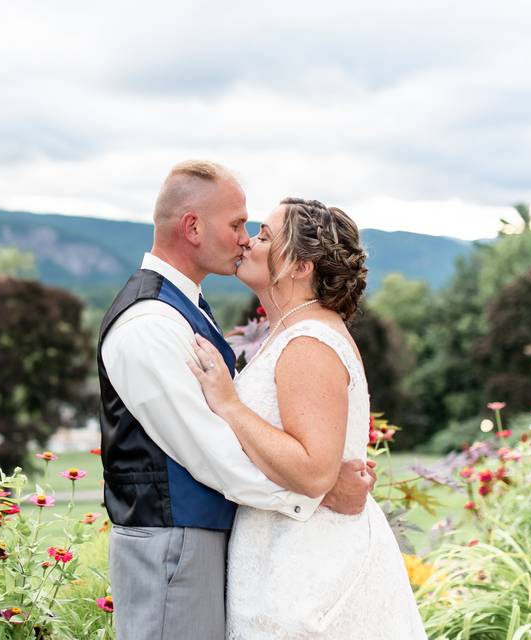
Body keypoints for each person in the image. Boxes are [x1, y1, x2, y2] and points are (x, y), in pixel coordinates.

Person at [97, 161, 375, 640]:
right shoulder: (149, 324)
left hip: (225, 545)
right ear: (192, 226)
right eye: (237, 225)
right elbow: (212, 451)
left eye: (256, 230)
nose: (245, 238)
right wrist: (324, 488)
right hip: (171, 545)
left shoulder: (191, 310)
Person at [188, 197, 426, 638]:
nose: (248, 243)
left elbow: (315, 472)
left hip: (308, 571)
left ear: (301, 267)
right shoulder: (296, 333)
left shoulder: (309, 343)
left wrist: (229, 404)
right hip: (285, 553)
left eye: (264, 236)